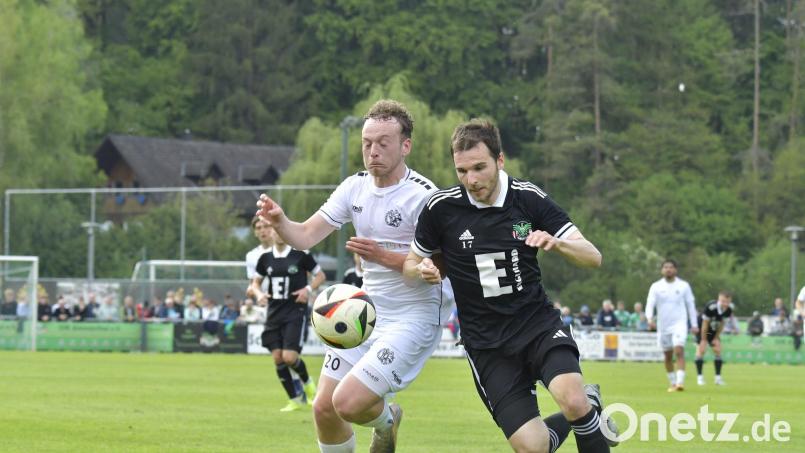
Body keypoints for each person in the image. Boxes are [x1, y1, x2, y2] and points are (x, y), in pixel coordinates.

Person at [403, 119, 617, 453]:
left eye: (479, 167)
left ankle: (584, 406)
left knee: (571, 399)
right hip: (487, 346)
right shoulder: (440, 208)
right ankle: (592, 409)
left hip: (537, 326)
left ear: (500, 161)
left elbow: (593, 256)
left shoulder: (528, 199)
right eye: (462, 171)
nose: (471, 180)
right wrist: (424, 269)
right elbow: (409, 265)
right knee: (533, 447)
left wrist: (558, 244)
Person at [256, 99, 450, 453]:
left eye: (383, 143)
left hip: (414, 314)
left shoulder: (424, 198)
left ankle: (386, 421)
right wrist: (281, 221)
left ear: (405, 146)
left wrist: (381, 255)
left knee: (348, 403)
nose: (372, 151)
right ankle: (386, 421)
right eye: (366, 143)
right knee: (324, 408)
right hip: (368, 311)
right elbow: (305, 236)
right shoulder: (354, 188)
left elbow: (439, 266)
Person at [250, 223, 326, 412]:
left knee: (290, 357)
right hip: (274, 313)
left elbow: (320, 276)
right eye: (275, 230)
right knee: (277, 358)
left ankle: (309, 386)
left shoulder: (301, 255)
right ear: (271, 233)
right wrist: (259, 294)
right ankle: (293, 399)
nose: (278, 234)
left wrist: (308, 290)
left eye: (282, 230)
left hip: (295, 312)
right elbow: (255, 283)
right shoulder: (264, 259)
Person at [646, 259, 698, 392]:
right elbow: (650, 304)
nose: (668, 269)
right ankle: (673, 383)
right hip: (663, 326)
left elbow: (690, 305)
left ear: (676, 270)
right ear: (662, 270)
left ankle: (680, 383)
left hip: (679, 324)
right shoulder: (656, 286)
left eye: (671, 267)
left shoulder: (683, 286)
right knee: (668, 356)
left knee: (679, 350)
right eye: (666, 267)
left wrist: (694, 324)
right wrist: (649, 318)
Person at [694, 291, 733, 386]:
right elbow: (705, 323)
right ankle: (700, 378)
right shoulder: (711, 307)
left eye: (727, 302)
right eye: (723, 301)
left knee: (718, 350)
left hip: (713, 329)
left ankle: (718, 379)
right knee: (701, 351)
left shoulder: (728, 310)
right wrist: (703, 339)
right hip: (702, 329)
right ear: (719, 299)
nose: (725, 304)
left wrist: (716, 337)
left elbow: (722, 324)